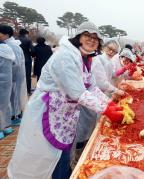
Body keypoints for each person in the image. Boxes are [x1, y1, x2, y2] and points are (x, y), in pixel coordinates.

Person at [8, 21, 124, 179]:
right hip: (48, 111)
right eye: (87, 36)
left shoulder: (84, 58)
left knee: (62, 154)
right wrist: (106, 110)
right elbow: (78, 93)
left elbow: (91, 87)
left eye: (95, 39)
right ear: (78, 37)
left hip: (65, 116)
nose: (91, 40)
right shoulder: (65, 56)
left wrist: (109, 103)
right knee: (45, 155)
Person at [1, 25, 27, 126]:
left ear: (6, 35)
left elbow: (15, 64)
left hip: (14, 77)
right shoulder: (9, 44)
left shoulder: (12, 46)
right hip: (11, 77)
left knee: (14, 97)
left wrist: (8, 76)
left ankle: (15, 116)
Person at [0, 26, 16, 139]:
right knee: (5, 103)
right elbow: (15, 65)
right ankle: (5, 127)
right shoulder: (9, 48)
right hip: (7, 80)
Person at [18, 28, 33, 95]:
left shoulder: (15, 40)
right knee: (27, 76)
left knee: (17, 75)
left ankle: (19, 91)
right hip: (27, 59)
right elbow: (32, 50)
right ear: (26, 34)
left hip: (17, 59)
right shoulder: (28, 40)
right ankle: (28, 91)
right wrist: (31, 55)